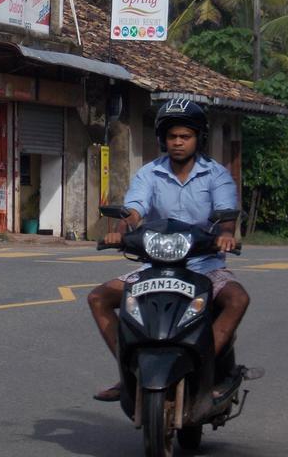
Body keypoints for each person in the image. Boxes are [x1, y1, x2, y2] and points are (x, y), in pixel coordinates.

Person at [86, 98, 250, 402]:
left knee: (237, 298)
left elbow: (227, 213)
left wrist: (226, 235)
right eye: (172, 136)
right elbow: (134, 209)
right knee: (99, 297)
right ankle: (130, 372)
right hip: (156, 266)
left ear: (198, 139)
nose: (178, 143)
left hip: (205, 265)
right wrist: (120, 231)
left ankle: (205, 367)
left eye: (185, 137)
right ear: (163, 139)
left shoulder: (217, 175)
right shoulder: (149, 173)